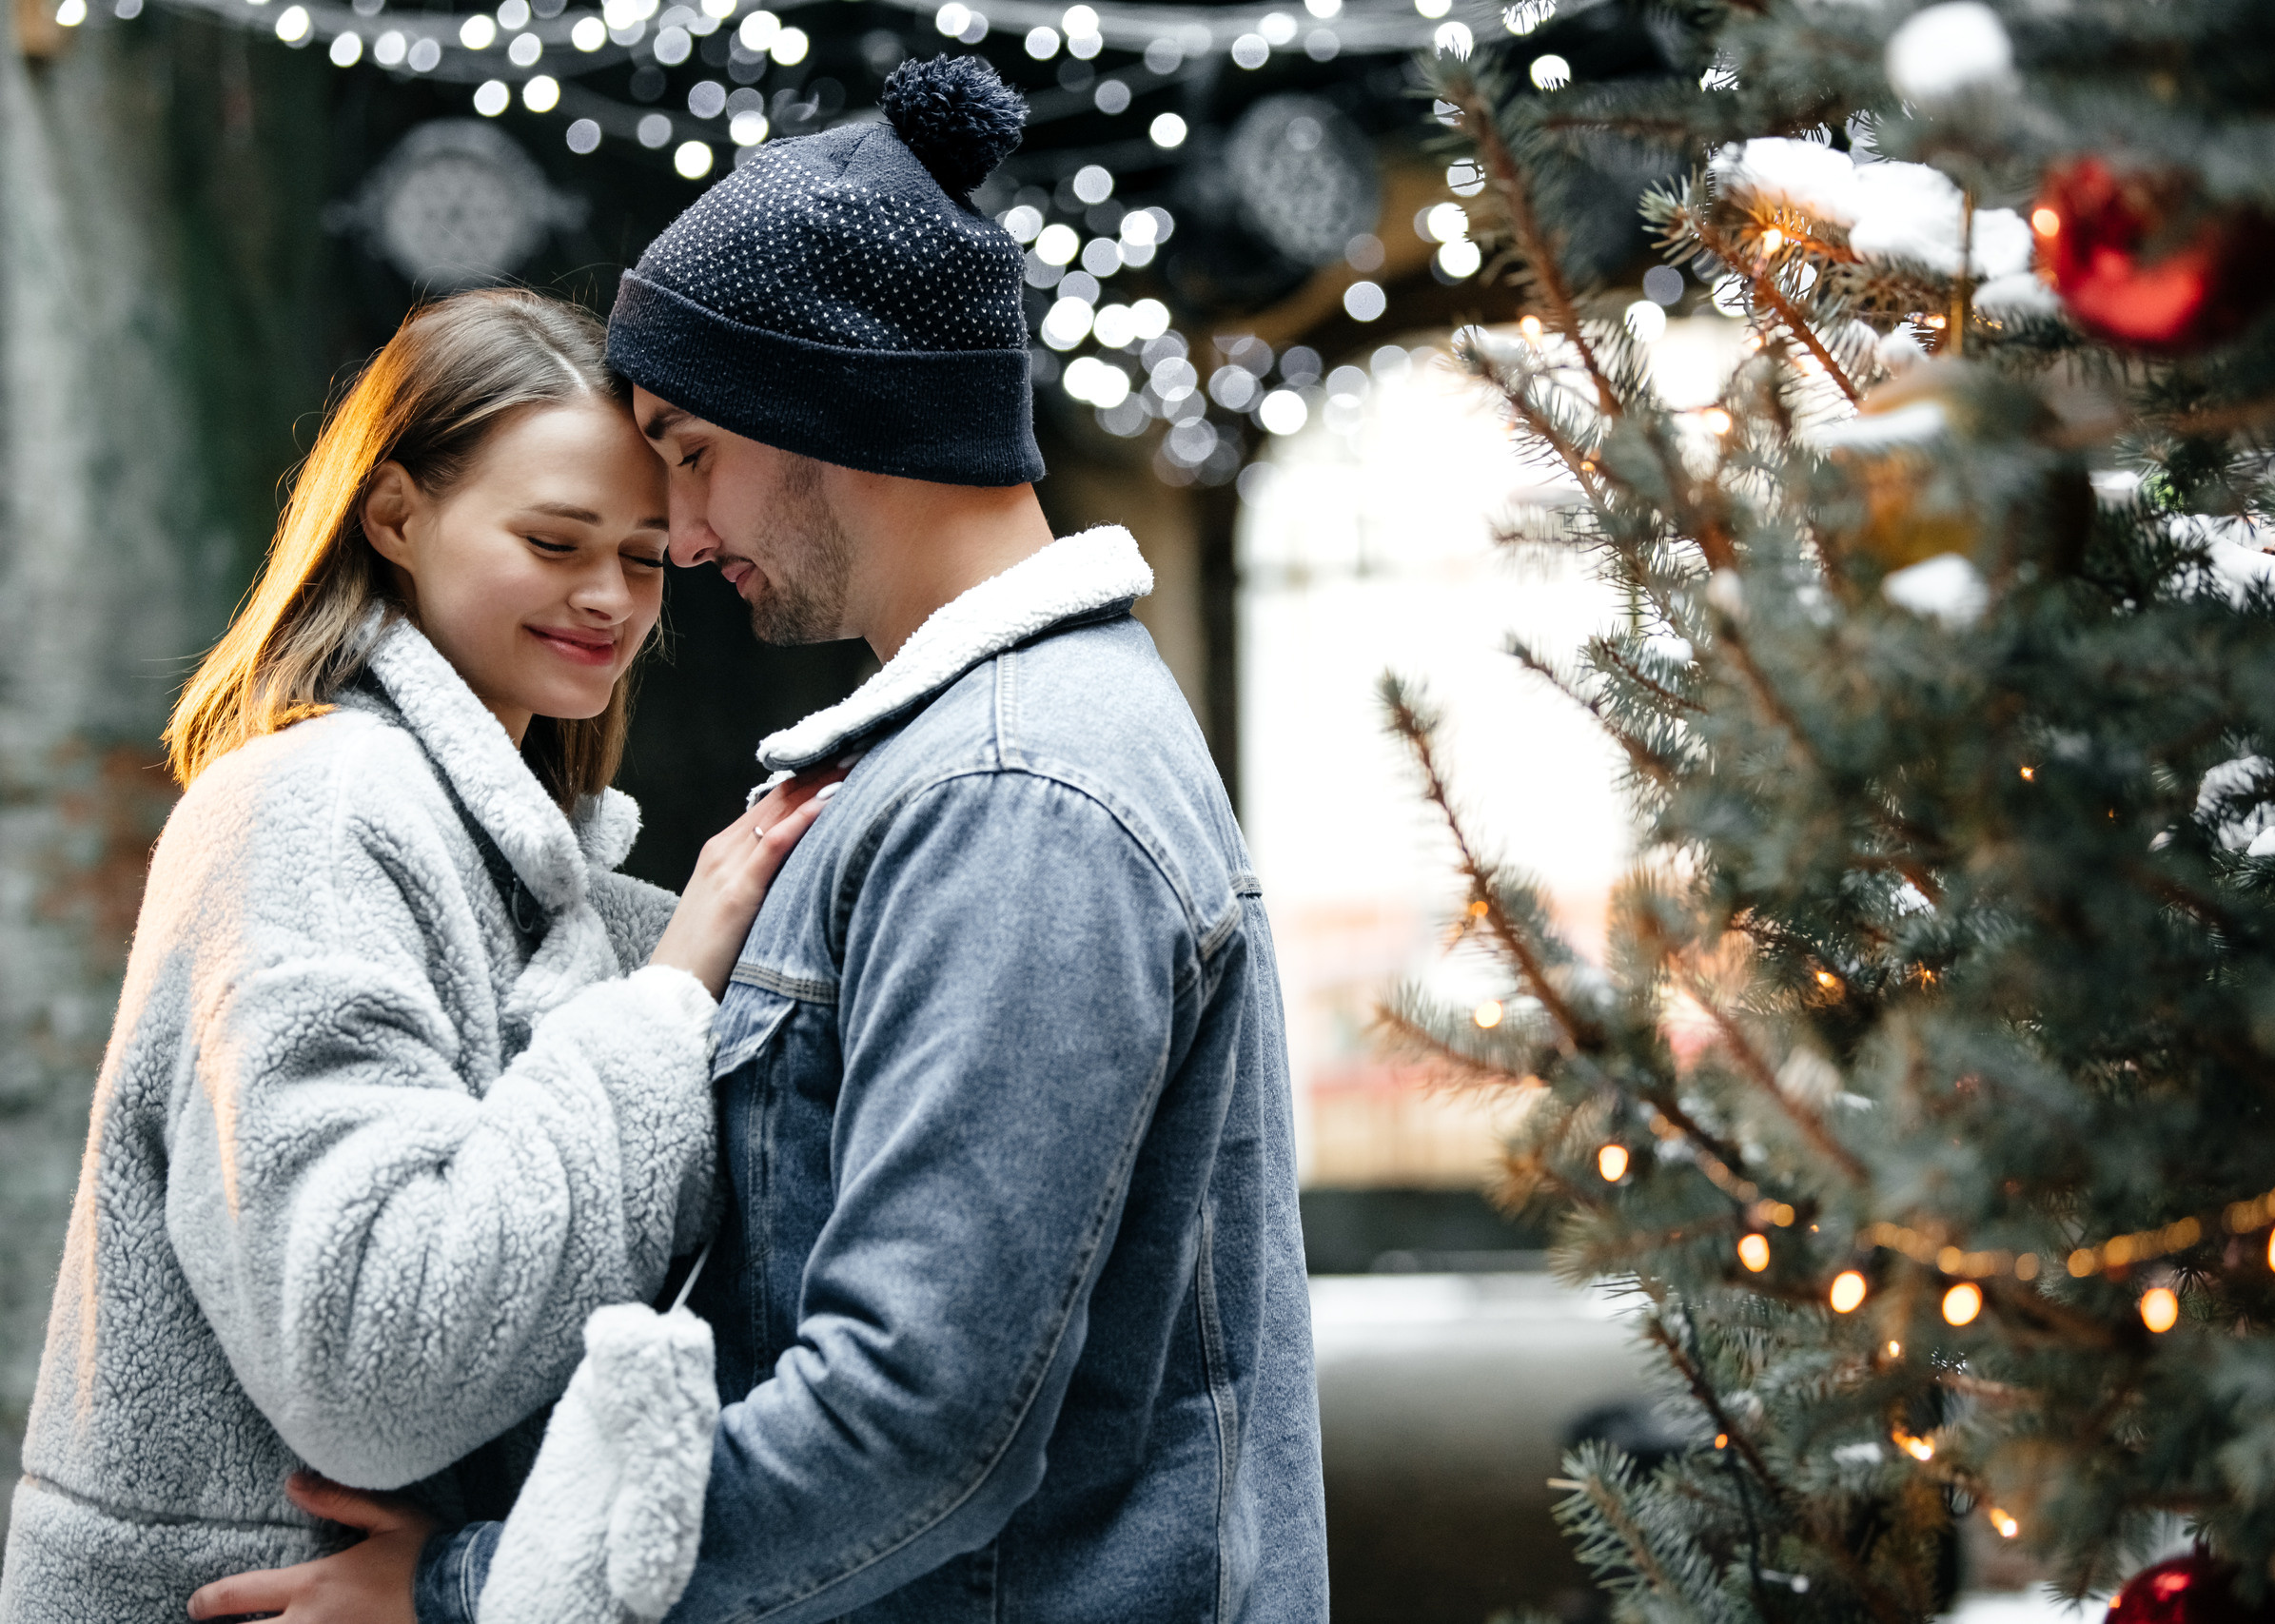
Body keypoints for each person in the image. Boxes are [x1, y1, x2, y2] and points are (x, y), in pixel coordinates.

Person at [197, 52, 1328, 1624]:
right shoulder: (970, 759)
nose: (690, 534)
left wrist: (463, 1592)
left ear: (831, 412)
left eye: (690, 451)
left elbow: (910, 1420)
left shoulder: (1010, 792)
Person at [0, 289, 827, 1624]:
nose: (608, 598)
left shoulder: (526, 868)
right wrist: (670, 997)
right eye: (555, 541)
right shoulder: (317, 811)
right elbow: (374, 1363)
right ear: (394, 516)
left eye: (644, 556)